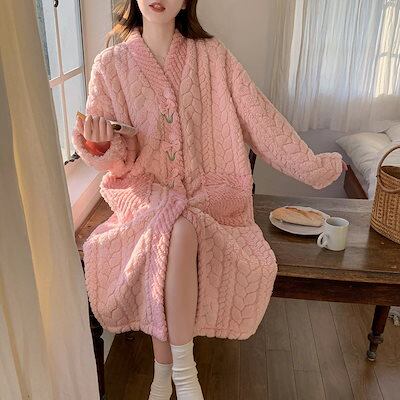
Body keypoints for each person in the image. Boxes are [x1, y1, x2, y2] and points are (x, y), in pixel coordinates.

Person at [72, 1, 348, 399]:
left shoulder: (212, 56)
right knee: (173, 227)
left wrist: (315, 167)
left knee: (178, 228)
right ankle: (184, 377)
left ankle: (165, 377)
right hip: (143, 193)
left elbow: (261, 120)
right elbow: (118, 161)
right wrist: (100, 145)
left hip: (211, 195)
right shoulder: (110, 65)